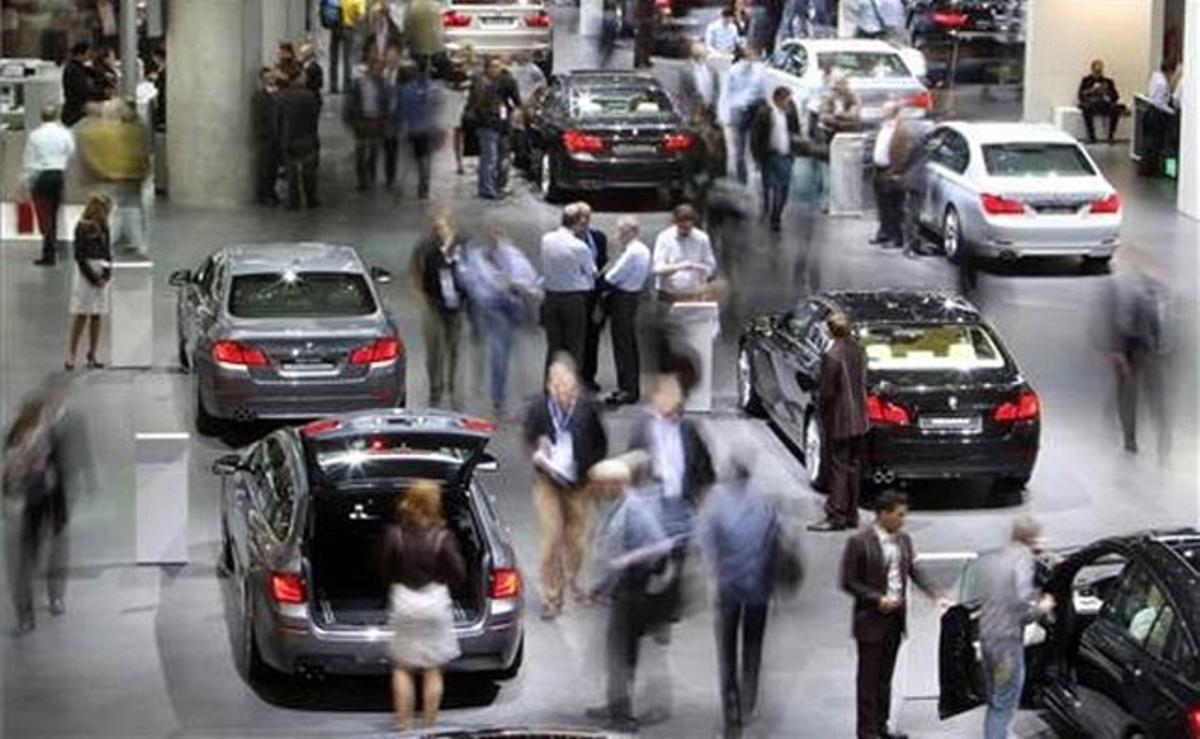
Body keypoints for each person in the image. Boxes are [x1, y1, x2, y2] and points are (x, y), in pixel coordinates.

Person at [840, 491, 944, 739]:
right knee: (868, 680)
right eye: (899, 515)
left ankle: (881, 726)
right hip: (871, 620)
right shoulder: (859, 542)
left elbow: (913, 570)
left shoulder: (904, 540)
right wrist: (877, 599)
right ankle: (866, 733)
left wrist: (933, 592)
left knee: (885, 678)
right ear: (883, 514)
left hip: (895, 619)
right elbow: (849, 581)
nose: (903, 520)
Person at [585, 451, 673, 732]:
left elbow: (662, 545)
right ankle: (616, 706)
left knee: (620, 654)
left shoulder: (635, 509)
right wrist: (601, 586)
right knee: (620, 653)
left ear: (616, 484)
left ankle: (621, 716)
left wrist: (627, 560)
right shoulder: (620, 505)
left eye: (601, 485)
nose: (597, 491)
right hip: (621, 588)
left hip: (632, 592)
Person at [698, 454, 779, 737]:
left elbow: (707, 542)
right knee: (753, 645)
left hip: (728, 587)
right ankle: (749, 700)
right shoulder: (763, 503)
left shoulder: (716, 504)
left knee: (727, 652)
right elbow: (775, 541)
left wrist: (715, 572)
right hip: (758, 588)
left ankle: (731, 715)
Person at [523, 356, 609, 620]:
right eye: (558, 387)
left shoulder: (587, 409)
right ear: (550, 386)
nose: (564, 393)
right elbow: (528, 438)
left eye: (569, 388)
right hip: (548, 480)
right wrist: (538, 449)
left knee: (577, 538)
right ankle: (552, 595)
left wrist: (592, 470)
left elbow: (600, 443)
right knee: (551, 536)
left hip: (578, 482)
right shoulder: (539, 409)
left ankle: (572, 579)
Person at [628, 372, 715, 626]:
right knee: (653, 557)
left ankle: (669, 606)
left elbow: (704, 464)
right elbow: (632, 464)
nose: (675, 405)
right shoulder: (643, 430)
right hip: (653, 503)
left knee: (678, 555)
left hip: (680, 502)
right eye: (668, 398)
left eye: (677, 399)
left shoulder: (689, 429)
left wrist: (699, 493)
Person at [380, 479, 467, 732]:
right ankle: (429, 729)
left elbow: (383, 568)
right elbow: (459, 573)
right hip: (434, 603)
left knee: (403, 667)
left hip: (404, 602)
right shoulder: (442, 537)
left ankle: (404, 728)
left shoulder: (394, 534)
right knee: (432, 668)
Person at [4, 379, 72, 636]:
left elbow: (59, 473)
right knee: (24, 562)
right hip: (25, 507)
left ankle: (54, 597)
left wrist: (60, 511)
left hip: (45, 502)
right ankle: (26, 615)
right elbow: (7, 474)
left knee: (50, 554)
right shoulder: (14, 437)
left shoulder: (48, 436)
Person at [979, 515, 1056, 739]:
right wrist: (1042, 607)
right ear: (1031, 538)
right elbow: (1021, 601)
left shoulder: (999, 557)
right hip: (1007, 645)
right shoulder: (1023, 559)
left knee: (995, 697)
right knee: (1004, 700)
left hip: (988, 638)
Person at [459, 220, 543, 416]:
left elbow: (527, 277)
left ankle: (517, 394)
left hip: (512, 303)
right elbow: (470, 282)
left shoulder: (510, 254)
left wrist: (520, 288)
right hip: (493, 308)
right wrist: (483, 297)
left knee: (514, 349)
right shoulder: (477, 258)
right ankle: (498, 398)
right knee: (500, 350)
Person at [1103, 263, 1171, 458]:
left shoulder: (1156, 296)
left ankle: (1159, 440)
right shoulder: (1137, 295)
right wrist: (1119, 351)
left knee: (1150, 398)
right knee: (1131, 397)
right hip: (1134, 351)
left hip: (1148, 354)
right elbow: (1124, 323)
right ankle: (1130, 439)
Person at [809, 311, 867, 532]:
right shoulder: (858, 349)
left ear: (830, 330)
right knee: (853, 466)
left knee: (838, 468)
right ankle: (852, 513)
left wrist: (822, 413)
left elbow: (827, 392)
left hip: (840, 419)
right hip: (859, 418)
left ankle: (836, 515)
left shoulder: (831, 355)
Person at [410, 212, 469, 407]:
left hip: (456, 306)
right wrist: (421, 298)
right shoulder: (425, 248)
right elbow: (415, 272)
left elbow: (469, 273)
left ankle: (454, 389)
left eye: (444, 227)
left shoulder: (460, 247)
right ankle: (435, 389)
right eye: (437, 227)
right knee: (434, 349)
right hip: (433, 304)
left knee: (455, 349)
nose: (440, 231)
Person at [600, 216, 652, 406]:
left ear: (632, 232)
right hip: (632, 298)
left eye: (622, 231)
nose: (619, 235)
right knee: (626, 345)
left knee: (623, 345)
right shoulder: (641, 250)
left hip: (623, 299)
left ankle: (628, 389)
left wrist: (601, 279)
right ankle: (627, 386)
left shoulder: (633, 252)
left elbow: (612, 277)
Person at [540, 203, 597, 370]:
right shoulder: (579, 246)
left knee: (554, 347)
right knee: (574, 347)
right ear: (578, 222)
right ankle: (570, 383)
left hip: (551, 296)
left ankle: (551, 383)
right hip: (573, 299)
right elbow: (591, 272)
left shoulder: (546, 239)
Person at [23, 105, 76, 267]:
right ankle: (54, 246)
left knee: (44, 214)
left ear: (41, 116)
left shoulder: (35, 135)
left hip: (41, 177)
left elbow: (29, 160)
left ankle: (49, 251)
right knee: (53, 212)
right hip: (58, 175)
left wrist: (26, 181)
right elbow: (71, 151)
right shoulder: (64, 133)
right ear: (57, 115)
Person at [65, 195, 114, 371]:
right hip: (86, 273)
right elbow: (79, 256)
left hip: (101, 271)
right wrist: (93, 278)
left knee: (96, 314)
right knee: (82, 313)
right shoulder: (81, 227)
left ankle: (93, 353)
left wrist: (106, 274)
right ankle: (71, 353)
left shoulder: (105, 227)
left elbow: (107, 252)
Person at [467, 57, 521, 199]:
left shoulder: (500, 82)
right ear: (487, 68)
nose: (497, 69)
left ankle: (495, 186)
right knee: (489, 158)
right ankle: (487, 189)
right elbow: (479, 106)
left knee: (498, 158)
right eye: (494, 66)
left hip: (498, 125)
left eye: (498, 66)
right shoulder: (482, 83)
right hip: (487, 125)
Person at [750, 86, 801, 231]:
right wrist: (757, 157)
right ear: (778, 100)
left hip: (785, 155)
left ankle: (776, 213)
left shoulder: (791, 112)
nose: (788, 103)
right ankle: (770, 212)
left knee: (784, 188)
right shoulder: (765, 114)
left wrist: (795, 150)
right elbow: (756, 136)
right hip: (769, 155)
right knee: (770, 185)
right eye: (786, 100)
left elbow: (795, 130)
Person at [719, 45, 766, 184]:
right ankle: (750, 174)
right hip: (747, 109)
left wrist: (724, 114)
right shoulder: (754, 69)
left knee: (743, 145)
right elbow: (762, 91)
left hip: (744, 109)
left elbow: (726, 93)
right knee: (750, 144)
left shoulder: (737, 69)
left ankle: (745, 177)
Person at [396, 62, 443, 200]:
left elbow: (401, 110)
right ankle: (423, 188)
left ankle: (405, 186)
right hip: (428, 130)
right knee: (425, 160)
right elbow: (438, 108)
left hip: (413, 130)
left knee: (412, 159)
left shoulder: (406, 90)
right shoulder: (435, 89)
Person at [576, 203, 609, 394]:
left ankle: (589, 376)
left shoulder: (598, 238)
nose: (583, 221)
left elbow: (603, 264)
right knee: (574, 338)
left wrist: (601, 297)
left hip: (593, 295)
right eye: (580, 217)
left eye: (586, 217)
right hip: (575, 294)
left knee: (592, 336)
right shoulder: (566, 240)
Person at [653, 204, 717, 303]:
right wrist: (679, 266)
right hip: (669, 293)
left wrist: (700, 268)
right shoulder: (664, 238)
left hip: (694, 293)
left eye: (687, 227)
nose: (684, 230)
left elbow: (711, 266)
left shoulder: (702, 238)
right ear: (675, 222)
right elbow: (657, 268)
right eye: (681, 226)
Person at [346, 52, 391, 191]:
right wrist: (352, 120)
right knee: (360, 152)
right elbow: (351, 102)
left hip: (376, 121)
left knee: (373, 152)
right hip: (362, 121)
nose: (378, 70)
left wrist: (385, 120)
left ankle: (371, 176)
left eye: (381, 67)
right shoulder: (359, 83)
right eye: (376, 66)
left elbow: (386, 103)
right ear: (370, 67)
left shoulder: (383, 84)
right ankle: (361, 180)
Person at [276, 71, 321, 209]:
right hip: (307, 137)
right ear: (298, 79)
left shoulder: (281, 96)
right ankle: (311, 199)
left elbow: (278, 119)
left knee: (292, 173)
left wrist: (280, 136)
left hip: (289, 138)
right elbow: (315, 116)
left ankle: (294, 201)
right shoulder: (310, 96)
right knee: (309, 172)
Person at [869, 102, 909, 249]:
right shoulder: (884, 127)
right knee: (883, 205)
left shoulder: (900, 130)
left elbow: (902, 153)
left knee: (894, 206)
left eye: (885, 110)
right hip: (879, 169)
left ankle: (896, 237)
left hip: (890, 170)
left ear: (893, 112)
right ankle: (884, 232)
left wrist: (895, 172)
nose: (881, 111)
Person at [250, 67, 281, 205]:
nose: (271, 79)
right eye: (268, 78)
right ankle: (263, 194)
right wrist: (262, 133)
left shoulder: (280, 94)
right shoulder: (259, 97)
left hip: (278, 136)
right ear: (262, 80)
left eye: (272, 77)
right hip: (266, 137)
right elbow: (257, 118)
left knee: (274, 166)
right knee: (264, 166)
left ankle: (271, 191)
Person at [1077, 59, 1121, 144]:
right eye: (1096, 71)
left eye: (1099, 71)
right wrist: (1092, 90)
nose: (1098, 73)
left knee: (1116, 109)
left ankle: (1111, 136)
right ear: (1092, 70)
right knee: (1086, 109)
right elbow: (1080, 95)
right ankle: (1091, 136)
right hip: (1092, 104)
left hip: (1104, 103)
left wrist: (1107, 95)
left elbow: (1116, 96)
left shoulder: (1108, 81)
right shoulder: (1086, 80)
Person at [680, 41, 721, 121]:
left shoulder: (713, 70)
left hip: (710, 111)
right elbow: (685, 93)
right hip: (693, 112)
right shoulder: (686, 70)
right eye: (696, 47)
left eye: (703, 47)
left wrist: (714, 106)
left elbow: (716, 91)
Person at [405, 0, 445, 72]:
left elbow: (407, 28)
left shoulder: (411, 6)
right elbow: (440, 28)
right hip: (436, 48)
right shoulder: (435, 5)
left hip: (418, 49)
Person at [62, 42, 94, 127]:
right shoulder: (74, 70)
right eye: (87, 54)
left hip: (73, 109)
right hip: (75, 111)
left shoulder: (79, 68)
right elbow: (82, 90)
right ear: (80, 54)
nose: (88, 57)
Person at [633, 0, 657, 68]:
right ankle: (639, 61)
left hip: (646, 17)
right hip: (643, 18)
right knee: (642, 41)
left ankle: (644, 60)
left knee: (646, 41)